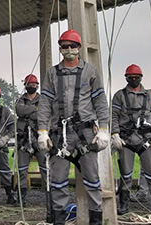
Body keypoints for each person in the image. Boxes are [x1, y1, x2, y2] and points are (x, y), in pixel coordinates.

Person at [37, 29, 110, 225]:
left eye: (72, 46)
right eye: (64, 46)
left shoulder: (90, 71)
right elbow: (44, 103)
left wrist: (103, 129)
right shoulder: (52, 73)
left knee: (92, 179)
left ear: (79, 48)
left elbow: (101, 102)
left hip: (85, 132)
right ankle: (59, 220)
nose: (68, 49)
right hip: (60, 135)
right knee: (58, 180)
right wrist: (42, 131)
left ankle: (96, 220)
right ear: (60, 49)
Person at [111, 64, 151, 216]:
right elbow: (113, 116)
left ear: (141, 78)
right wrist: (114, 134)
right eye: (131, 78)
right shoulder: (119, 96)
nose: (133, 80)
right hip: (126, 140)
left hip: (145, 140)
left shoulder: (150, 96)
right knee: (125, 174)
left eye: (136, 78)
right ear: (126, 78)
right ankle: (124, 205)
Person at [14, 74, 47, 207]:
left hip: (39, 137)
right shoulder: (20, 100)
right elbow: (19, 110)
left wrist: (30, 112)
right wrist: (35, 109)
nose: (32, 87)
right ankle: (21, 199)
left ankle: (51, 198)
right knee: (22, 170)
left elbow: (44, 113)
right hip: (23, 140)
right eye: (30, 85)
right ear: (26, 86)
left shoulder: (43, 99)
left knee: (45, 168)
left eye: (34, 85)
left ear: (37, 86)